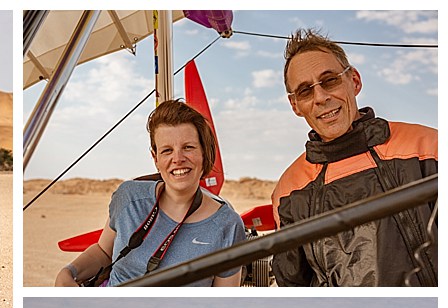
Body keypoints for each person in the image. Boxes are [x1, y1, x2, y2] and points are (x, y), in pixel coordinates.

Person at [271, 29, 438, 287]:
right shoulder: (288, 190)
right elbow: (294, 286)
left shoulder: (429, 146)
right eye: (305, 91)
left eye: (329, 81)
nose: (321, 97)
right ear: (295, 106)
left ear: (355, 81)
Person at [55, 100, 245, 287]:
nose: (177, 159)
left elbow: (223, 302)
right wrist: (69, 272)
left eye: (188, 147)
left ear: (204, 152)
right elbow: (104, 252)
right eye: (167, 150)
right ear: (155, 158)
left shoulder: (227, 225)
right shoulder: (129, 197)